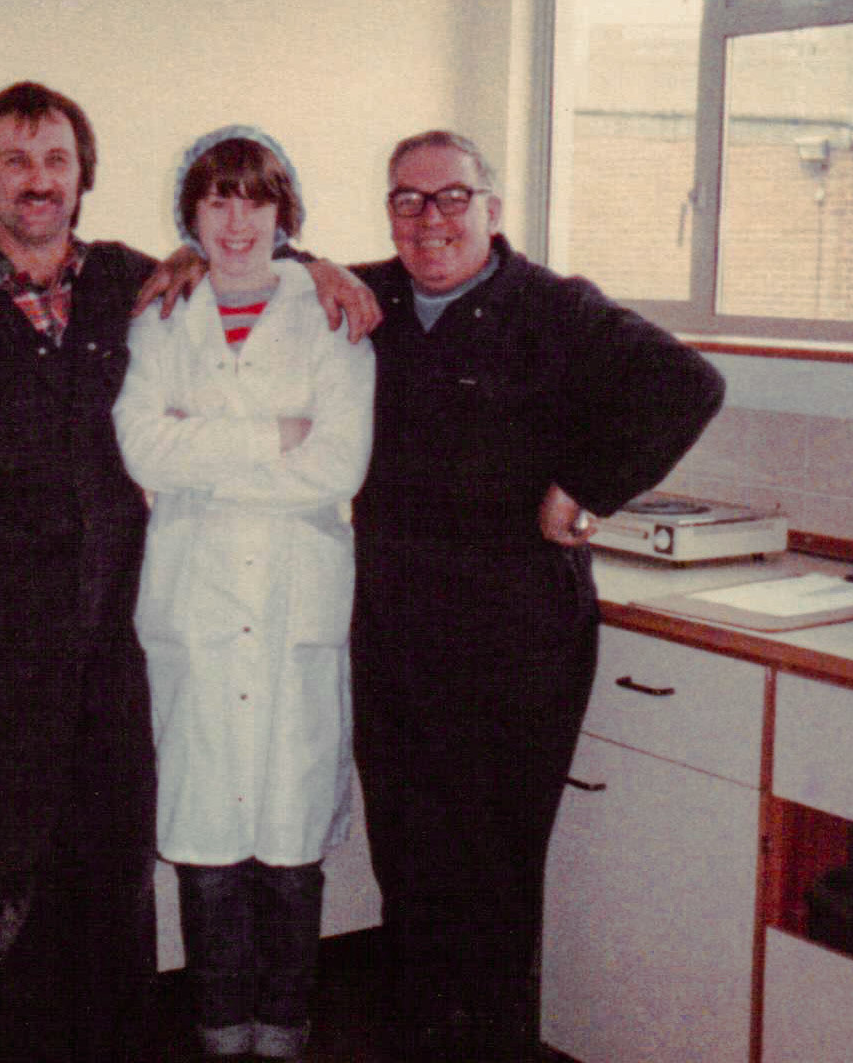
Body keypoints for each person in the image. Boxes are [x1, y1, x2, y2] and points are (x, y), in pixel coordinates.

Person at [0, 83, 377, 1063]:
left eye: (55, 161)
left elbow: (241, 252)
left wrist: (316, 264)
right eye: (15, 161)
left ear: (83, 176)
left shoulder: (135, 286)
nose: (37, 182)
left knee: (118, 879)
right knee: (13, 881)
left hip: (118, 650)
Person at [347, 131, 726, 1062]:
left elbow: (690, 381)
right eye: (407, 200)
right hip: (394, 635)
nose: (429, 219)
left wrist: (588, 483)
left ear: (492, 208)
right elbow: (256, 261)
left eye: (452, 198)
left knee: (488, 881)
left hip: (512, 646)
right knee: (408, 868)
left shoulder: (553, 310)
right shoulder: (373, 297)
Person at [113, 126, 375, 1063]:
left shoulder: (333, 313)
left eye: (255, 199)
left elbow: (340, 460)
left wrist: (204, 451)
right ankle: (221, 1036)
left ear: (283, 212)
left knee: (290, 841)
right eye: (216, 199)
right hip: (193, 599)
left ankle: (286, 1035)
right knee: (208, 842)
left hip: (296, 600)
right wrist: (277, 435)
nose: (236, 219)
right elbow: (142, 449)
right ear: (189, 213)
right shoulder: (161, 312)